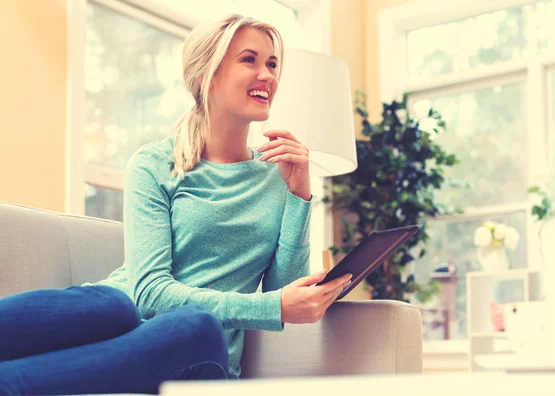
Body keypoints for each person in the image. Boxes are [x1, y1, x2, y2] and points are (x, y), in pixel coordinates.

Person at [0, 13, 352, 395]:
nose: (267, 75)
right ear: (207, 77)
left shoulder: (277, 174)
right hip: (118, 322)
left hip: (191, 351)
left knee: (196, 326)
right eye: (249, 60)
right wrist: (273, 307)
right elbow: (149, 292)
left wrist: (300, 195)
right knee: (113, 304)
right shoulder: (154, 164)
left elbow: (283, 292)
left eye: (271, 64)